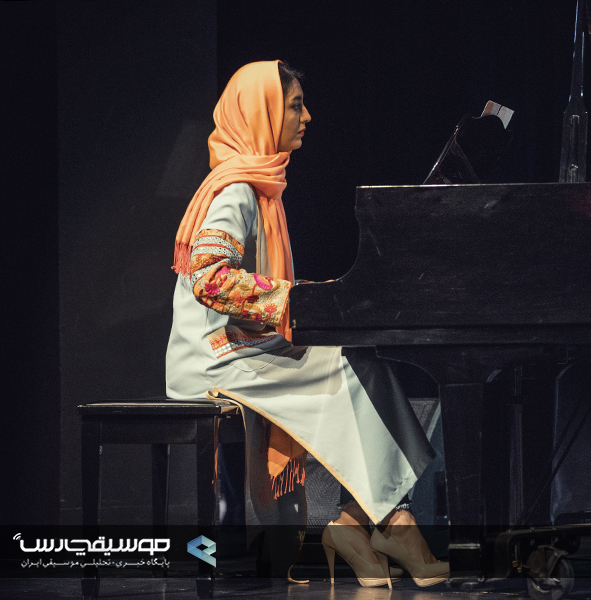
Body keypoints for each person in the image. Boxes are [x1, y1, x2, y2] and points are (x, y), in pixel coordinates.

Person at [165, 60, 448, 587]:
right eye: (295, 105)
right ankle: (387, 522)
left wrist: (301, 298)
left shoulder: (261, 189)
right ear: (263, 112)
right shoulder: (236, 191)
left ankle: (361, 522)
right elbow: (209, 279)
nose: (307, 116)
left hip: (244, 347)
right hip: (215, 357)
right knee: (348, 364)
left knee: (362, 358)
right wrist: (292, 299)